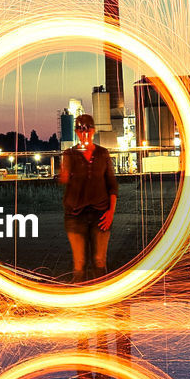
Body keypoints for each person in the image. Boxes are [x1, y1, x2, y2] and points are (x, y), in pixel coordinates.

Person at [59, 113, 118, 282]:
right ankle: (81, 302)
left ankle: (100, 301)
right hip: (75, 215)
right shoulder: (70, 154)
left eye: (87, 129)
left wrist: (110, 212)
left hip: (101, 214)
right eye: (80, 129)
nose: (84, 133)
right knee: (80, 262)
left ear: (93, 131)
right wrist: (64, 174)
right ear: (76, 132)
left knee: (99, 261)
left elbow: (112, 185)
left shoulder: (102, 154)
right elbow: (64, 178)